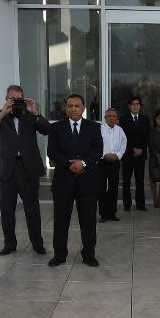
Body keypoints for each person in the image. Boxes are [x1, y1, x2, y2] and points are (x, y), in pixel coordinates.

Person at [0, 85, 49, 256]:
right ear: (6, 99)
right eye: (12, 99)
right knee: (6, 209)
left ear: (24, 98)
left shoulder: (30, 114)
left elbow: (47, 130)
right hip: (6, 168)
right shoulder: (0, 113)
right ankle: (9, 244)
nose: (16, 102)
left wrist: (36, 113)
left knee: (32, 209)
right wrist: (1, 115)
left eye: (19, 99)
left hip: (28, 168)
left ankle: (37, 243)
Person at [47, 94, 103, 267]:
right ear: (66, 108)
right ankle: (60, 254)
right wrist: (69, 165)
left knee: (88, 222)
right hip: (63, 181)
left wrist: (83, 163)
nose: (73, 109)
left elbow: (98, 149)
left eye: (77, 106)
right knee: (61, 220)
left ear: (83, 108)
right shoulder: (56, 128)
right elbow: (52, 151)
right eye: (70, 106)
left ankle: (88, 254)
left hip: (87, 182)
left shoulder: (93, 127)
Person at [119, 96, 151, 211]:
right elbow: (123, 138)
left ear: (140, 106)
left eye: (137, 104)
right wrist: (133, 149)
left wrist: (141, 149)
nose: (135, 106)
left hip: (140, 155)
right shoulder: (123, 119)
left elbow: (147, 136)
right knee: (126, 181)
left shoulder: (145, 119)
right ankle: (127, 205)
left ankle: (140, 204)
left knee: (139, 180)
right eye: (133, 104)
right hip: (128, 154)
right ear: (129, 106)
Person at [98, 108, 127, 223]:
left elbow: (124, 144)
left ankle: (112, 213)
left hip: (115, 162)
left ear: (116, 118)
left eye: (114, 116)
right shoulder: (99, 129)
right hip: (102, 162)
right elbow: (96, 145)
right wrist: (104, 155)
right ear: (105, 118)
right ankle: (103, 214)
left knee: (113, 188)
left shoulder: (120, 130)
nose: (111, 118)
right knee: (101, 189)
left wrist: (118, 156)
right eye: (109, 116)